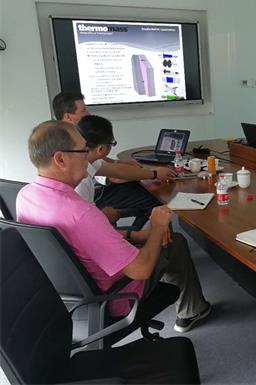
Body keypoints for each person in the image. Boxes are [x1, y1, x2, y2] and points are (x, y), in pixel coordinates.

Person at [16, 120, 211, 333]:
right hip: (115, 296)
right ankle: (192, 310)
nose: (89, 156)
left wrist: (133, 235)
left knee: (153, 238)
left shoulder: (25, 196)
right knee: (175, 243)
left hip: (68, 295)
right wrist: (157, 226)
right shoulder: (81, 213)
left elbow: (81, 240)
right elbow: (141, 270)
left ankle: (191, 307)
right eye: (83, 150)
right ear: (60, 159)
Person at [53, 92, 163, 228]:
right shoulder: (81, 177)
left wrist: (153, 173)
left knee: (136, 188)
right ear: (68, 117)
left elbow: (109, 167)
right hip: (88, 213)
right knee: (151, 196)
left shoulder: (76, 144)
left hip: (86, 207)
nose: (88, 114)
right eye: (84, 110)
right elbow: (85, 224)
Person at [76, 115, 175, 224]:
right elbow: (87, 225)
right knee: (153, 197)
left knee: (139, 189)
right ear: (101, 149)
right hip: (92, 225)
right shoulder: (82, 181)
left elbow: (118, 171)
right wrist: (106, 217)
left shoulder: (86, 160)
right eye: (113, 143)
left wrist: (155, 173)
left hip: (90, 212)